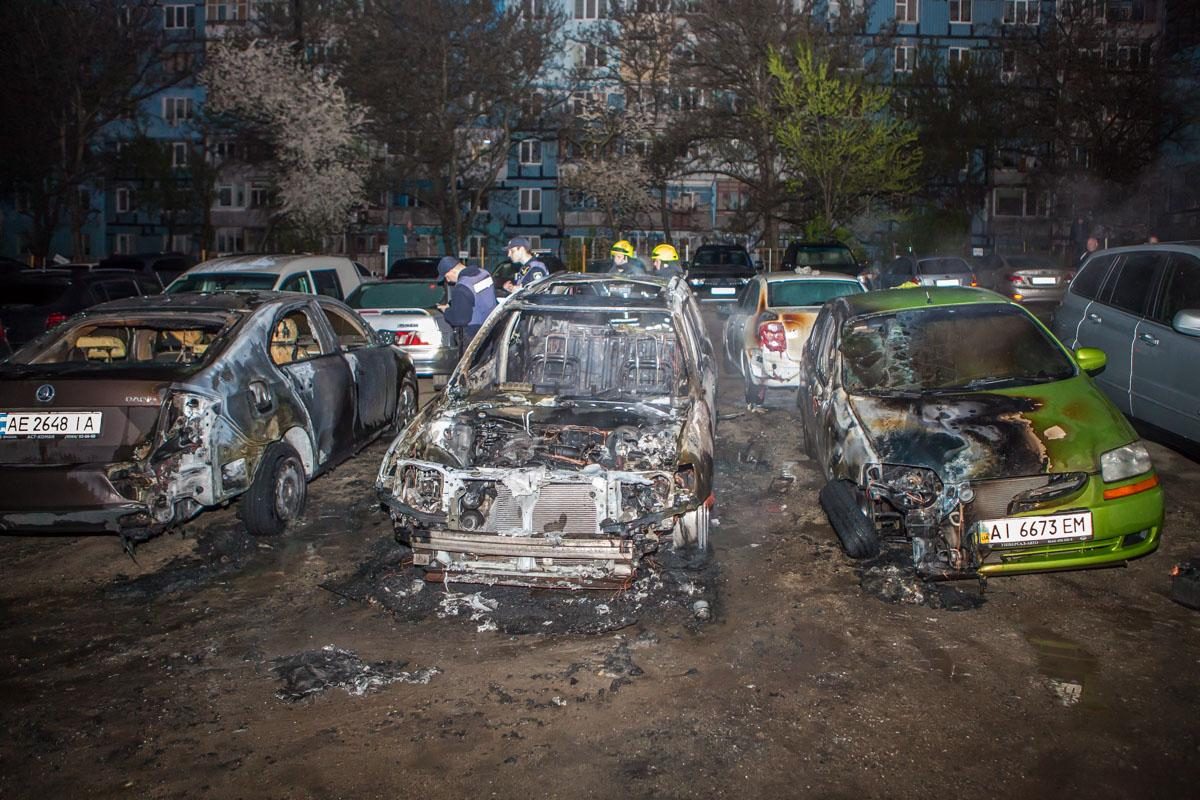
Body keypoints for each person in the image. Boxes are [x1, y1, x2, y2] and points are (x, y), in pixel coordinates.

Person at [435, 255, 497, 357]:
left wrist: (447, 311)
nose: (448, 281)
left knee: (471, 370)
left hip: (474, 335)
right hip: (491, 327)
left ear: (452, 271)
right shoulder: (484, 273)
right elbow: (477, 297)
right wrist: (454, 304)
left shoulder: (462, 287)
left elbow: (460, 319)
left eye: (446, 277)